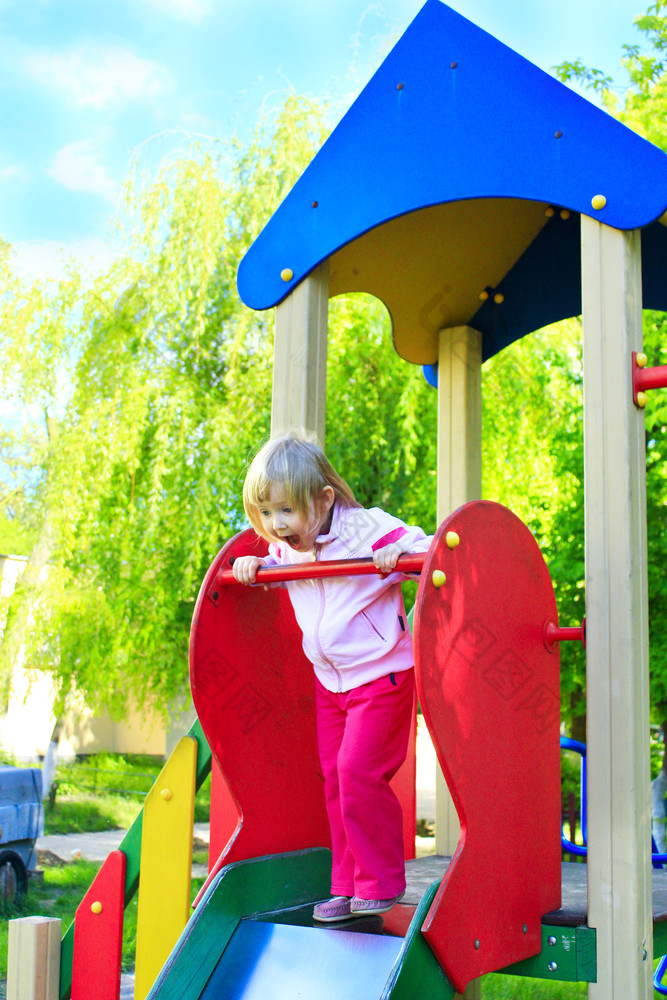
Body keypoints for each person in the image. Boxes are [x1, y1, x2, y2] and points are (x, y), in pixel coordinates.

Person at [233, 432, 431, 922]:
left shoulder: (366, 530)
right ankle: (345, 885)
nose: (277, 527)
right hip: (330, 683)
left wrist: (397, 559)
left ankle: (380, 882)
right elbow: (273, 561)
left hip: (380, 676)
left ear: (322, 500)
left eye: (286, 511)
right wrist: (253, 563)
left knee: (359, 772)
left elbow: (428, 551)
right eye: (267, 513)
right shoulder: (286, 547)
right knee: (335, 781)